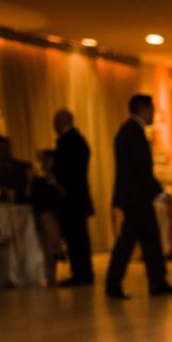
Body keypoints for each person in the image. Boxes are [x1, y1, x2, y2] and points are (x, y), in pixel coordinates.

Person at [105, 94, 172, 299]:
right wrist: (162, 193)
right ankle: (117, 283)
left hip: (134, 197)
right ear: (144, 109)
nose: (154, 114)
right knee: (130, 241)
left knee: (148, 240)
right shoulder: (134, 133)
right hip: (135, 198)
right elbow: (142, 169)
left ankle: (157, 281)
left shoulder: (128, 131)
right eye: (152, 110)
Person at [52, 109, 95, 287]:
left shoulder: (68, 141)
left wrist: (58, 182)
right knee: (78, 236)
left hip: (72, 197)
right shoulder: (77, 140)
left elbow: (67, 169)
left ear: (61, 122)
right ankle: (83, 272)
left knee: (75, 236)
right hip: (78, 196)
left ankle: (81, 273)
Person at [28, 150, 66, 286]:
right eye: (42, 161)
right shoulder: (37, 180)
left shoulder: (58, 177)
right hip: (43, 215)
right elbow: (31, 199)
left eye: (46, 161)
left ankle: (56, 253)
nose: (43, 164)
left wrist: (55, 183)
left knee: (48, 234)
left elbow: (64, 197)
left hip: (57, 214)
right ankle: (58, 250)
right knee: (48, 238)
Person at [0, 135, 32, 203]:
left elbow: (29, 190)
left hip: (21, 205)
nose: (7, 152)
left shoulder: (23, 167)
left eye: (8, 148)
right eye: (2, 149)